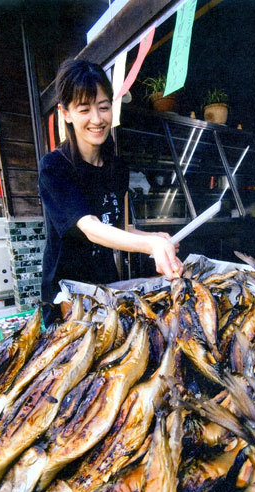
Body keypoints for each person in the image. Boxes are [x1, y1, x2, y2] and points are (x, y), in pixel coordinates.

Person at [39, 58, 183, 326]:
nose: (97, 119)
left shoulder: (116, 167)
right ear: (66, 113)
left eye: (103, 107)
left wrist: (153, 237)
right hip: (66, 297)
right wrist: (150, 245)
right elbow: (91, 228)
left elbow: (115, 226)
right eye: (84, 109)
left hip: (106, 287)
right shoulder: (55, 167)